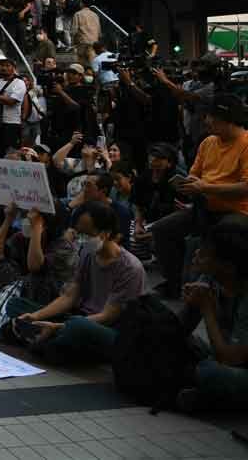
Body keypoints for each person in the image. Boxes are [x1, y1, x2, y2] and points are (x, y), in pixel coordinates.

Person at [14, 201, 146, 364]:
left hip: (106, 329)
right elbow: (69, 296)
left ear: (105, 233)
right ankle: (44, 336)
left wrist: (58, 326)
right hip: (79, 317)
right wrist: (35, 316)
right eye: (79, 234)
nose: (81, 240)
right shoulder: (88, 254)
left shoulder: (130, 267)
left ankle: (46, 337)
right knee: (16, 307)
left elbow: (107, 316)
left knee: (76, 327)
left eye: (87, 235)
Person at [149, 94, 248, 298]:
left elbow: (246, 186)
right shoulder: (208, 142)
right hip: (204, 205)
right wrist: (189, 184)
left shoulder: (246, 144)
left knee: (222, 233)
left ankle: (218, 291)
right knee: (162, 229)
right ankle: (174, 284)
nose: (205, 121)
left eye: (210, 117)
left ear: (226, 119)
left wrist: (205, 188)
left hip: (238, 210)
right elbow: (195, 172)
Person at [175, 226, 248, 412]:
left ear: (228, 267)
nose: (197, 254)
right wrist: (192, 304)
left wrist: (206, 309)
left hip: (236, 366)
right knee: (167, 342)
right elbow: (178, 330)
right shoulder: (211, 278)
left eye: (205, 254)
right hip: (219, 357)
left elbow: (231, 358)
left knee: (211, 373)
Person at [0, 56, 27, 156]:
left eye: (8, 65)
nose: (4, 68)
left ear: (13, 68)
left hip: (11, 123)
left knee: (10, 152)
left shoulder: (20, 83)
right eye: (2, 66)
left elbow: (12, 101)